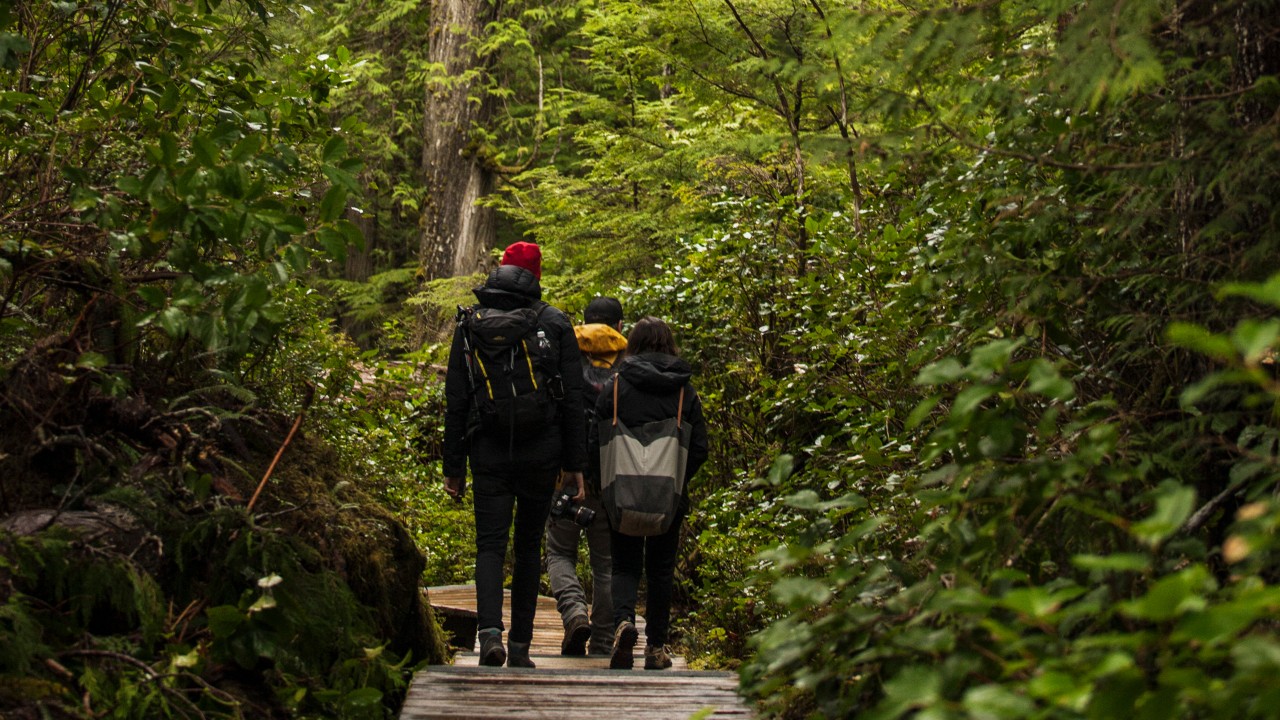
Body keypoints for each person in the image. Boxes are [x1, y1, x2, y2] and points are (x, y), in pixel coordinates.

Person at [443, 241, 587, 669]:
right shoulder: (555, 322)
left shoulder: (470, 323)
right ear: (536, 275)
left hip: (487, 450)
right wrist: (574, 466)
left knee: (489, 545)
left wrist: (453, 467)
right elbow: (573, 400)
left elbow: (456, 399)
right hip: (542, 452)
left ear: (500, 270)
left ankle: (490, 635)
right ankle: (521, 645)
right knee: (527, 547)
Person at [590, 316, 708, 670]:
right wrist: (677, 482)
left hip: (622, 493)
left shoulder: (615, 387)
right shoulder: (684, 391)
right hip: (667, 498)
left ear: (633, 345)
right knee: (660, 570)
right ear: (670, 345)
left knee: (625, 565)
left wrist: (603, 486)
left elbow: (594, 442)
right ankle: (655, 648)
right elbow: (699, 448)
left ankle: (624, 623)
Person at [545, 297, 628, 656]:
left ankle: (575, 613)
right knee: (606, 562)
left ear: (583, 321)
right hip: (610, 477)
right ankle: (604, 640)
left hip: (565, 474)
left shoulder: (565, 352)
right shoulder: (628, 361)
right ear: (620, 326)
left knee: (559, 551)